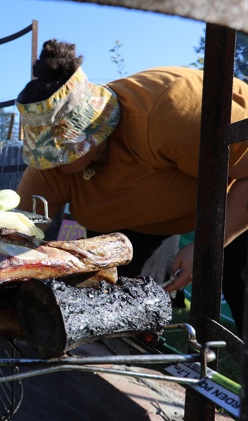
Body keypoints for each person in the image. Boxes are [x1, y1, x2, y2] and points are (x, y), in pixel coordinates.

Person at [14, 39, 248, 332]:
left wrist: (205, 247)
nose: (50, 165)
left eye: (60, 154)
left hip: (235, 202)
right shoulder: (50, 171)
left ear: (93, 132)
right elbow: (16, 232)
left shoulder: (169, 110)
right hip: (144, 223)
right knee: (120, 316)